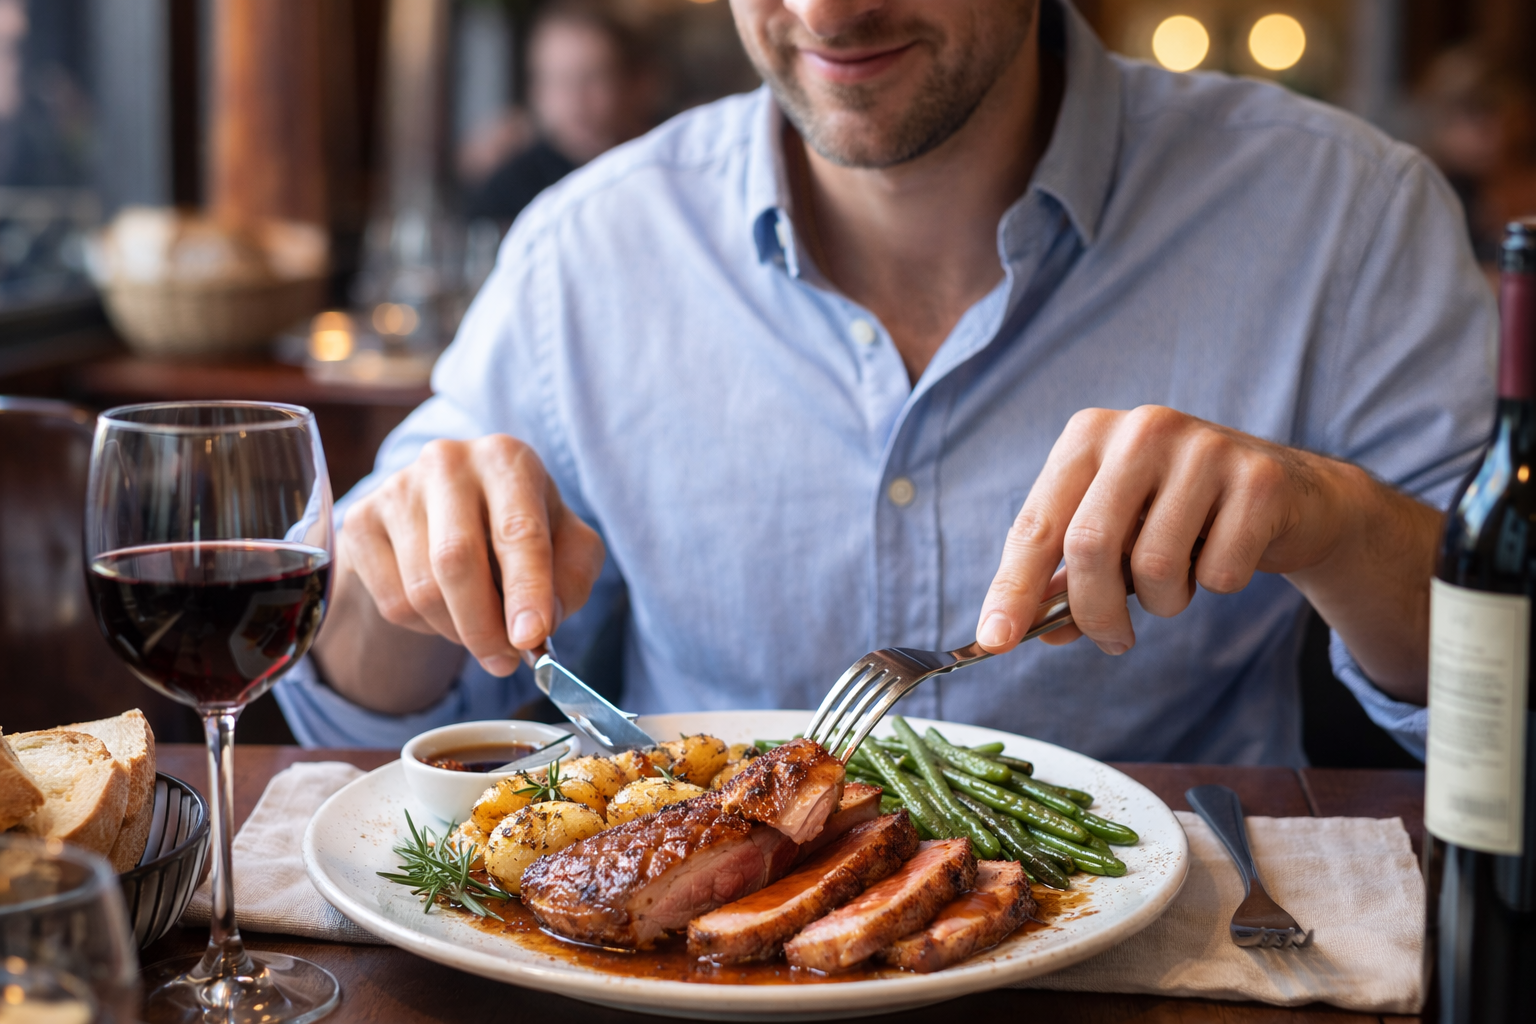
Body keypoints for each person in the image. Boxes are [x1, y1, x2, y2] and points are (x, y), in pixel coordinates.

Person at [276, 0, 1494, 766]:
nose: (828, 12)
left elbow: (1507, 702)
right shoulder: (581, 253)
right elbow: (367, 720)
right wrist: (393, 583)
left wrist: (1333, 521)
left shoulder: (1343, 212)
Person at [461, 1, 656, 226]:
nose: (575, 100)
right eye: (558, 80)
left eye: (593, 77)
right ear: (535, 91)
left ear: (634, 83)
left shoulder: (660, 174)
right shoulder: (506, 193)